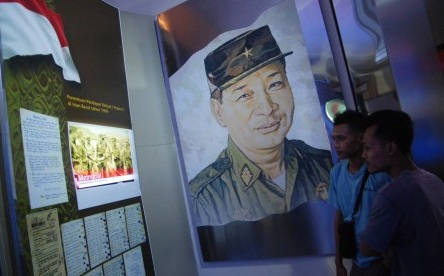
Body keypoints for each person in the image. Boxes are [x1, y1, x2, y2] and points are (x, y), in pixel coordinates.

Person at [189, 25, 333, 226]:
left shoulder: (326, 166)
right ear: (219, 111)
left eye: (275, 85)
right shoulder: (203, 199)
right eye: (244, 95)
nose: (267, 108)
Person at [360, 110, 444, 275]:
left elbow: (367, 248)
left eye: (368, 147)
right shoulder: (433, 180)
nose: (364, 155)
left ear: (391, 148)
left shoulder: (390, 195)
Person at [327, 110, 391, 276]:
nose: (336, 145)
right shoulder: (337, 173)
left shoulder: (379, 172)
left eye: (341, 138)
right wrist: (338, 262)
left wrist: (388, 261)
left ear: (360, 138)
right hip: (357, 261)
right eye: (334, 139)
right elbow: (339, 218)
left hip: (380, 260)